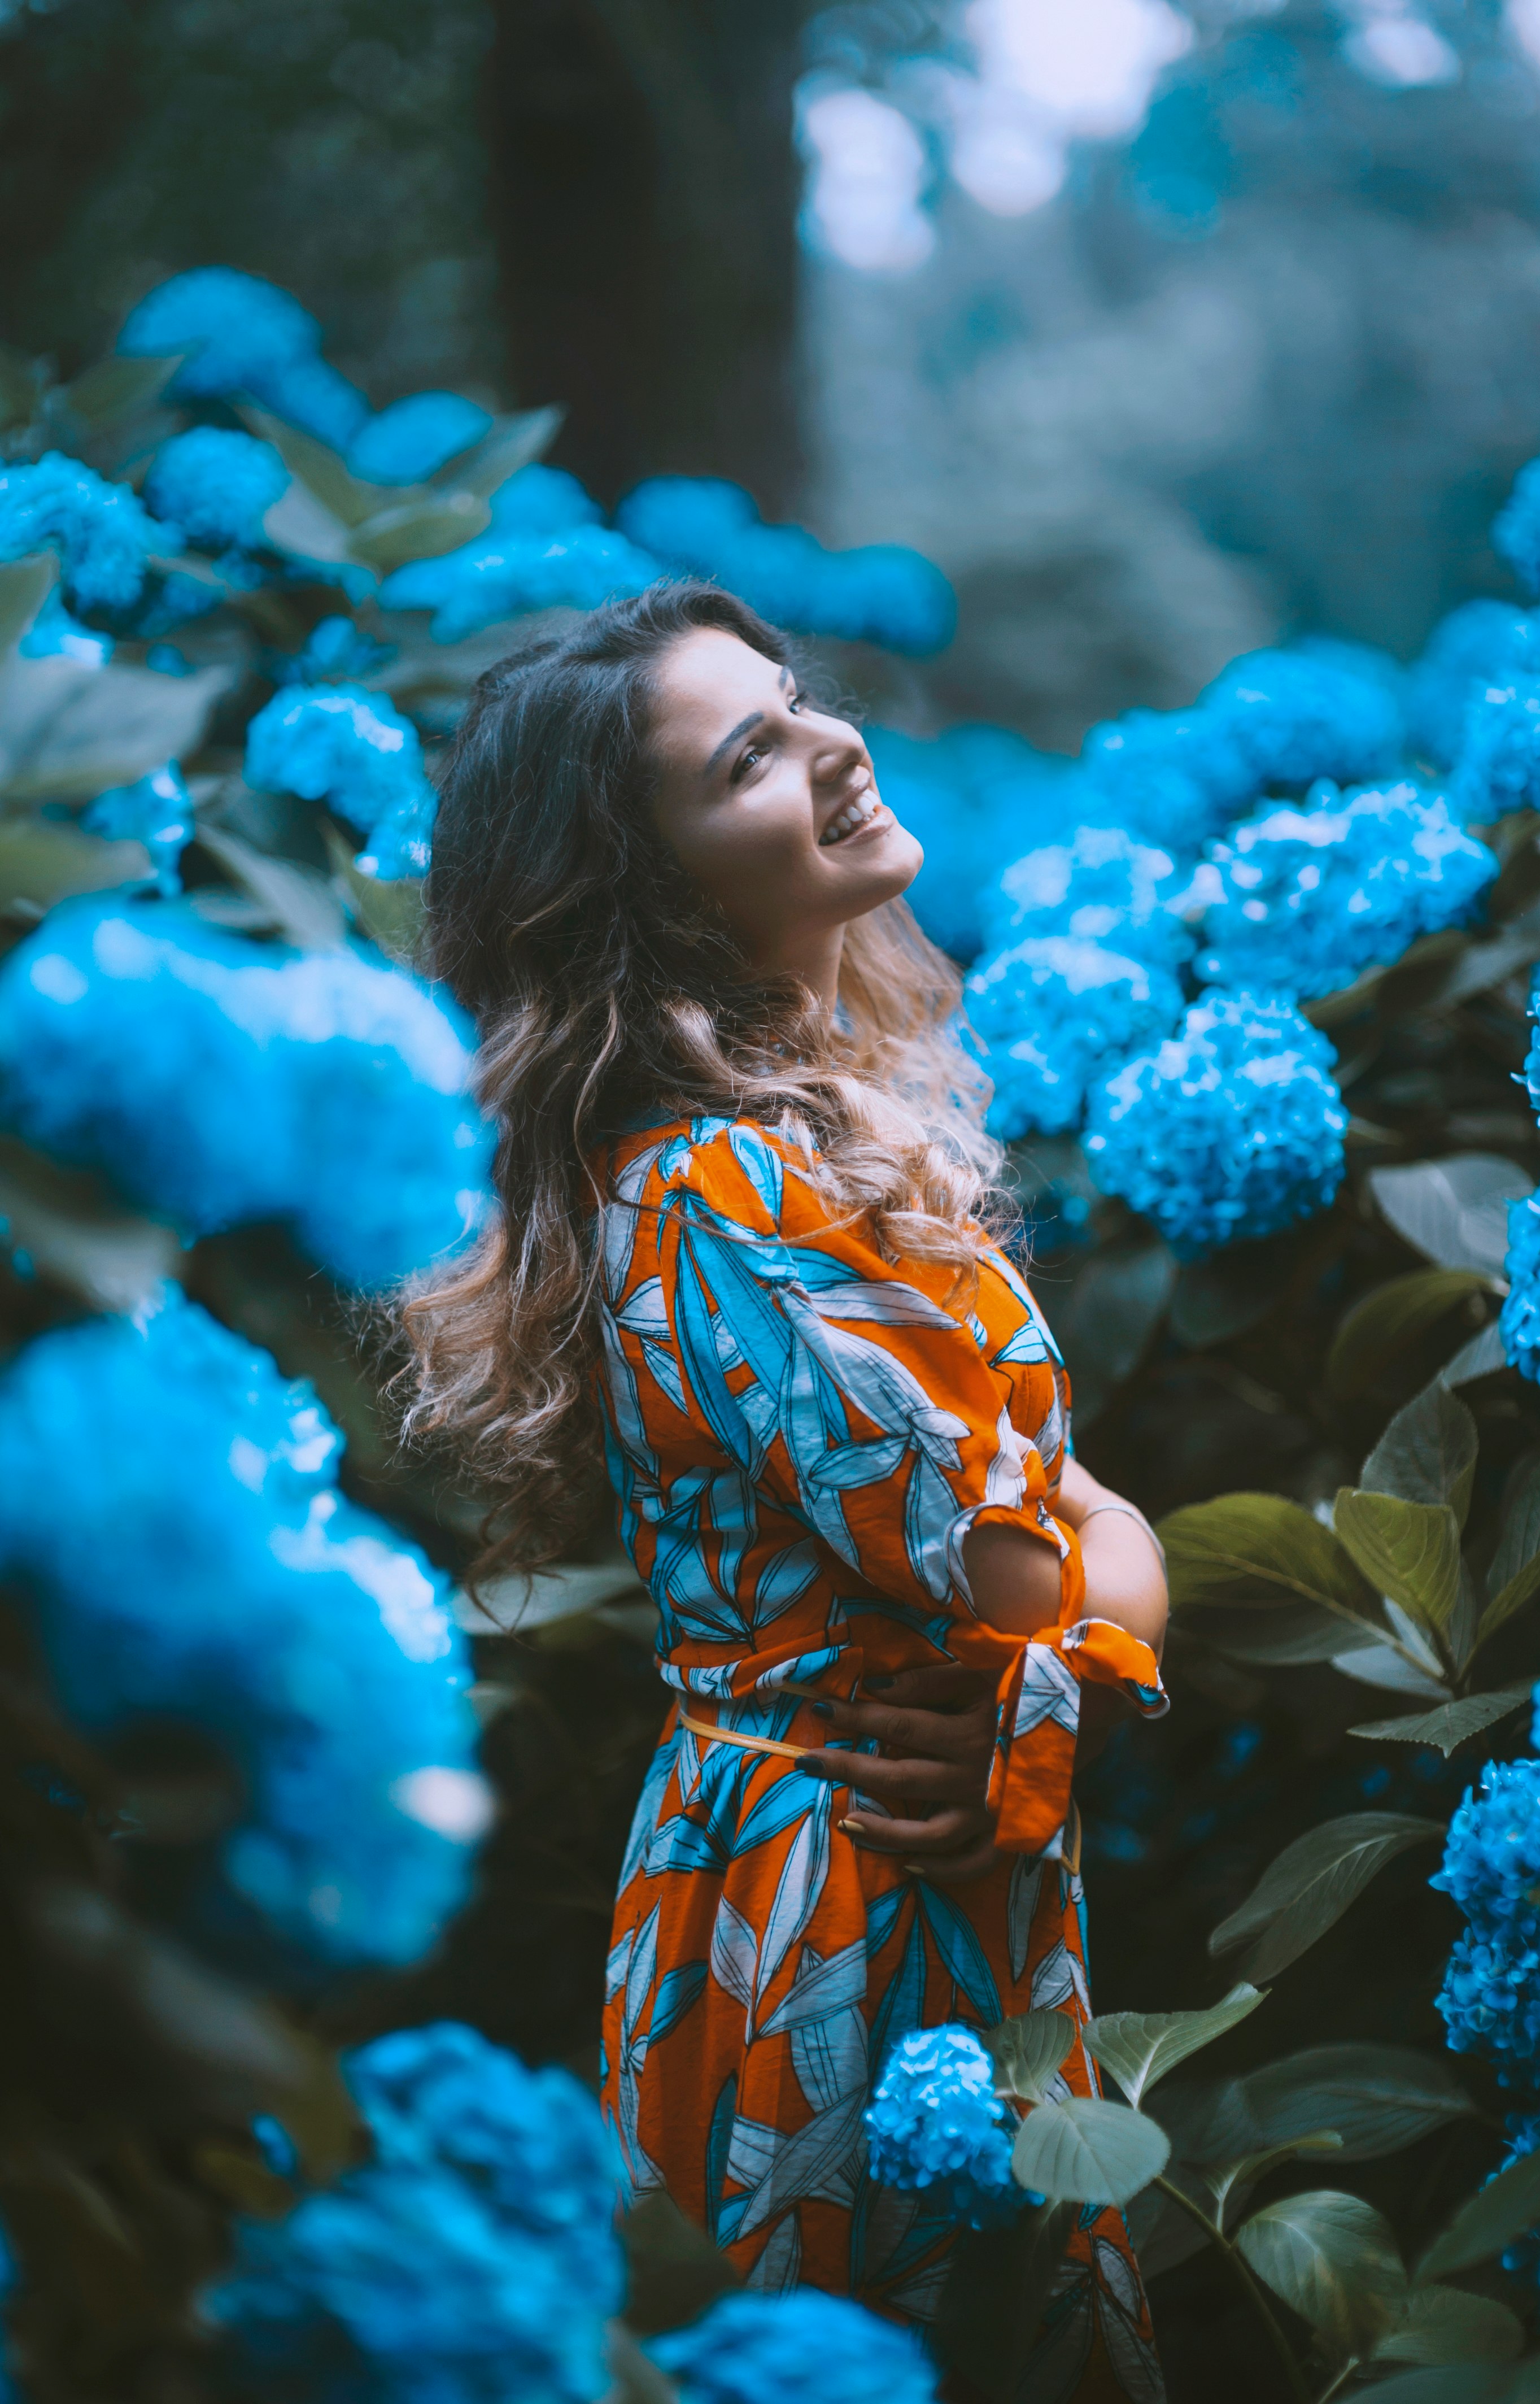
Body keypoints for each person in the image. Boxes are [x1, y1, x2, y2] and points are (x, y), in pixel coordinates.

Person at [404, 581, 1170, 2399]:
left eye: (798, 701)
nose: (830, 741)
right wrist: (1090, 1584)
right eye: (746, 755)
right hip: (843, 1899)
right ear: (642, 892)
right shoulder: (737, 1189)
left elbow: (1073, 1535)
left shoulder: (797, 1142)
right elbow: (1028, 1569)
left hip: (841, 1835)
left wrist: (1088, 1570)